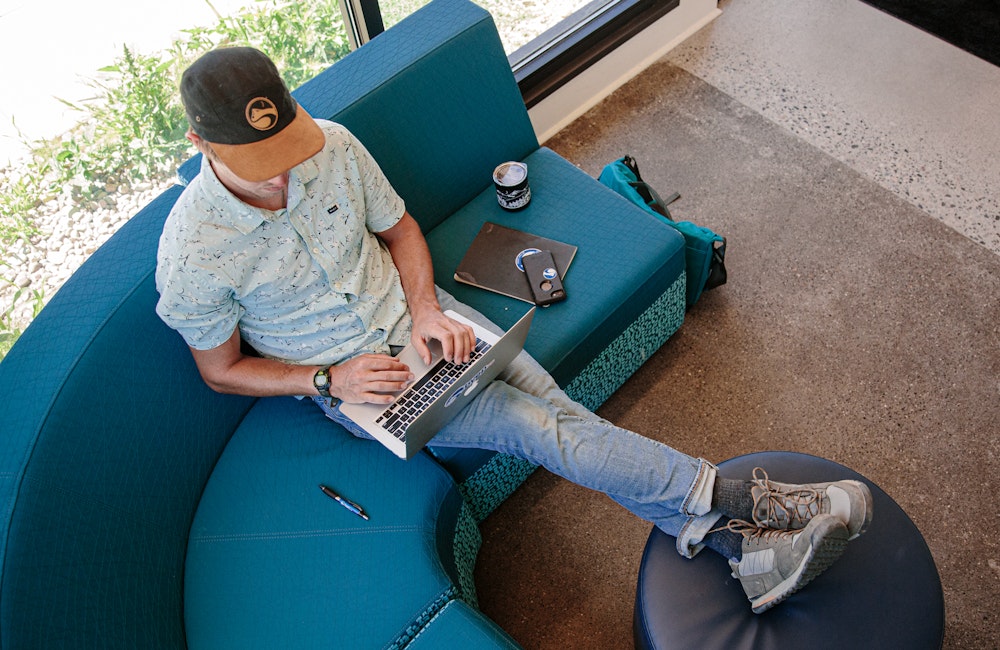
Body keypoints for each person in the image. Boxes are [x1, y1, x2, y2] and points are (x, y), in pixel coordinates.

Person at [155, 46, 873, 614]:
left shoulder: (333, 145)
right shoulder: (192, 249)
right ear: (198, 142)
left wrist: (430, 311)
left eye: (289, 152)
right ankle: (748, 500)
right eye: (262, 169)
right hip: (363, 382)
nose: (284, 179)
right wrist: (326, 379)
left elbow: (401, 230)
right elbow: (219, 370)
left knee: (558, 417)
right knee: (542, 430)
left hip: (432, 324)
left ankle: (735, 552)